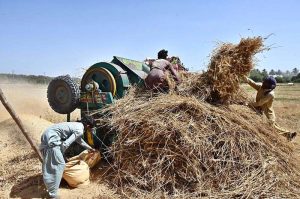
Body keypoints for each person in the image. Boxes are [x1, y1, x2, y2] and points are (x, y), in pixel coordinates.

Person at [40, 115, 96, 198]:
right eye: (90, 129)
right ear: (88, 126)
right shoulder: (80, 130)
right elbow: (66, 144)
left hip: (47, 136)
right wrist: (61, 154)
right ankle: (53, 195)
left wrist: (90, 148)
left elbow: (79, 140)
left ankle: (52, 187)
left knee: (52, 165)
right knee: (59, 165)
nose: (89, 130)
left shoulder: (76, 125)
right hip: (51, 140)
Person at [243, 75, 297, 140]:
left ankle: (289, 135)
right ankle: (289, 135)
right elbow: (253, 83)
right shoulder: (261, 88)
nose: (263, 83)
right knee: (275, 126)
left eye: (265, 83)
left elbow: (259, 103)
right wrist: (246, 79)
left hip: (268, 114)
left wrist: (248, 104)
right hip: (261, 110)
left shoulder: (270, 94)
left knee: (272, 127)